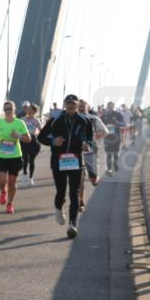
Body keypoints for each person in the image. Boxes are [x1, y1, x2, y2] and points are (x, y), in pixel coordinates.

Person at [37, 94, 92, 239]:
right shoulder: (55, 119)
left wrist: (87, 144)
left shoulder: (84, 120)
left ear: (77, 105)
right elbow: (41, 137)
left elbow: (89, 137)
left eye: (73, 103)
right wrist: (53, 141)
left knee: (74, 193)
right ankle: (58, 207)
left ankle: (72, 224)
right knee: (61, 192)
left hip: (76, 160)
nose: (71, 105)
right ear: (64, 104)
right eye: (68, 103)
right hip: (58, 161)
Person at [0, 101, 30, 214]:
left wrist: (19, 136)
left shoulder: (20, 123)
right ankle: (3, 191)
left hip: (15, 156)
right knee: (1, 181)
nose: (8, 111)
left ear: (14, 110)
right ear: (4, 110)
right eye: (6, 109)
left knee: (12, 182)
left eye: (10, 109)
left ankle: (10, 203)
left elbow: (28, 139)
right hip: (1, 155)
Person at [77, 99, 107, 212]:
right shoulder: (73, 119)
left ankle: (99, 183)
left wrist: (97, 136)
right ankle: (81, 202)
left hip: (92, 152)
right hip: (78, 153)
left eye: (83, 106)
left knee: (93, 180)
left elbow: (105, 131)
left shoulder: (94, 119)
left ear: (88, 107)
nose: (81, 108)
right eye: (79, 106)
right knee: (80, 179)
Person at [100, 101, 124, 176]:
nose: (110, 107)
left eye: (111, 106)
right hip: (107, 137)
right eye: (109, 106)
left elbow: (123, 123)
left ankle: (115, 163)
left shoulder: (118, 114)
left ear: (113, 106)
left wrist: (117, 122)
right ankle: (109, 169)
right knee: (109, 154)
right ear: (107, 107)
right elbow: (100, 124)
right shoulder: (104, 115)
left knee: (116, 153)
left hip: (116, 137)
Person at [21, 104, 42, 186]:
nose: (27, 110)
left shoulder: (36, 121)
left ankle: (31, 178)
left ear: (34, 111)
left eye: (29, 109)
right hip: (24, 140)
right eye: (27, 109)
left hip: (33, 140)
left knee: (32, 160)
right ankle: (25, 174)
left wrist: (39, 135)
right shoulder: (22, 120)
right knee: (25, 159)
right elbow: (18, 129)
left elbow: (42, 130)